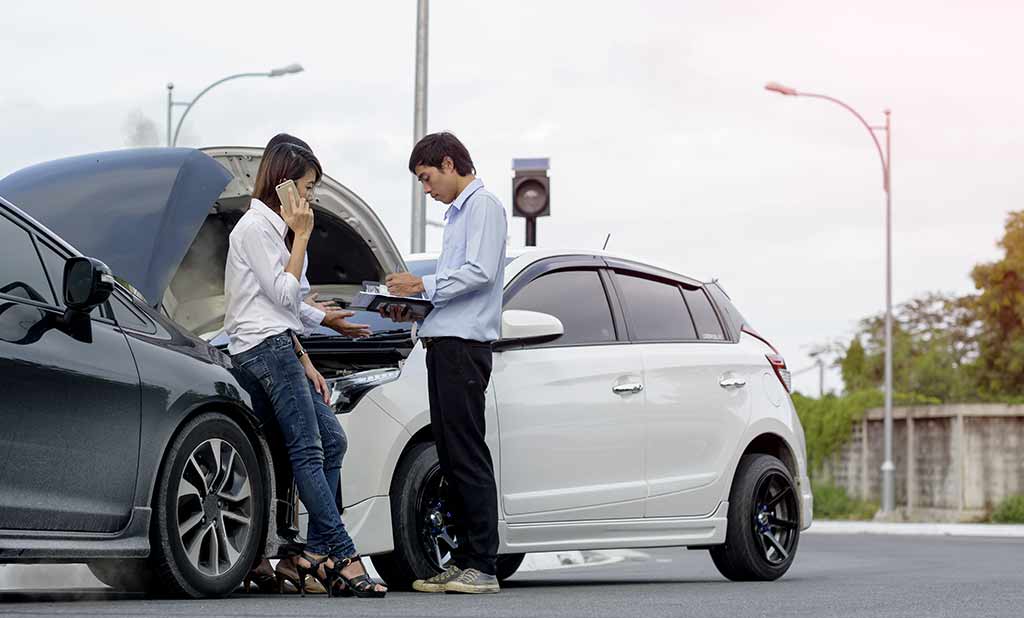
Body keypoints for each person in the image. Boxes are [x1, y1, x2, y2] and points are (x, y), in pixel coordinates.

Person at [225, 141, 386, 598]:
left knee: (332, 440)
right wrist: (302, 236)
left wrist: (322, 330)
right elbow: (282, 296)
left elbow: (292, 300)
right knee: (309, 452)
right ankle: (343, 555)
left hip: (279, 346)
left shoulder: (274, 229)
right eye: (309, 187)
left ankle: (313, 553)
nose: (312, 198)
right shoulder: (256, 228)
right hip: (264, 350)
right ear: (285, 184)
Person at [384, 132, 507, 594]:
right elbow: (456, 283)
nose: (426, 189)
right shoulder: (458, 214)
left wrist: (423, 287)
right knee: (452, 457)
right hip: (443, 344)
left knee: (467, 454)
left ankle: (483, 564)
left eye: (427, 177)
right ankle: (464, 561)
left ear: (450, 163)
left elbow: (480, 273)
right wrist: (411, 304)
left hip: (463, 348)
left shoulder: (484, 206)